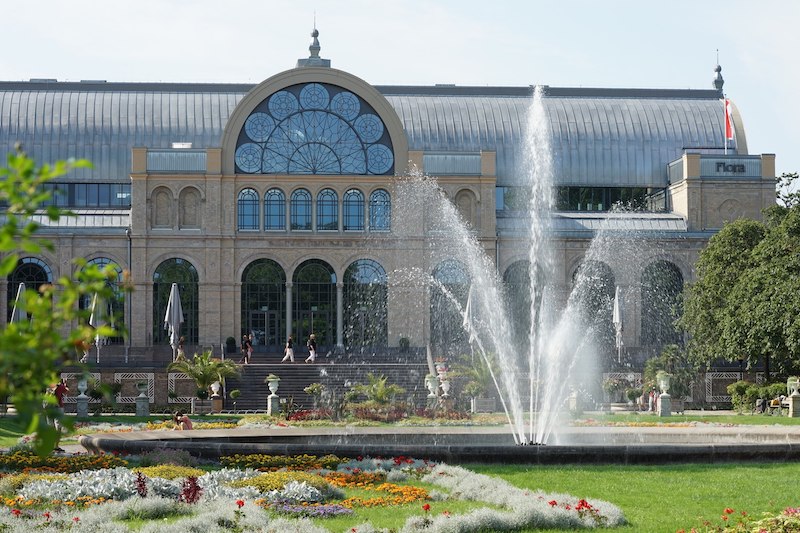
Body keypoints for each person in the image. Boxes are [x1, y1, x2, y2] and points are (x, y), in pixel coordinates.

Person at [52, 378, 69, 452]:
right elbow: (67, 391)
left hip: (49, 408)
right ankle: (56, 446)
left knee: (50, 427)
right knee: (58, 427)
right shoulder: (59, 386)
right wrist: (65, 384)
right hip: (58, 408)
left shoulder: (49, 386)